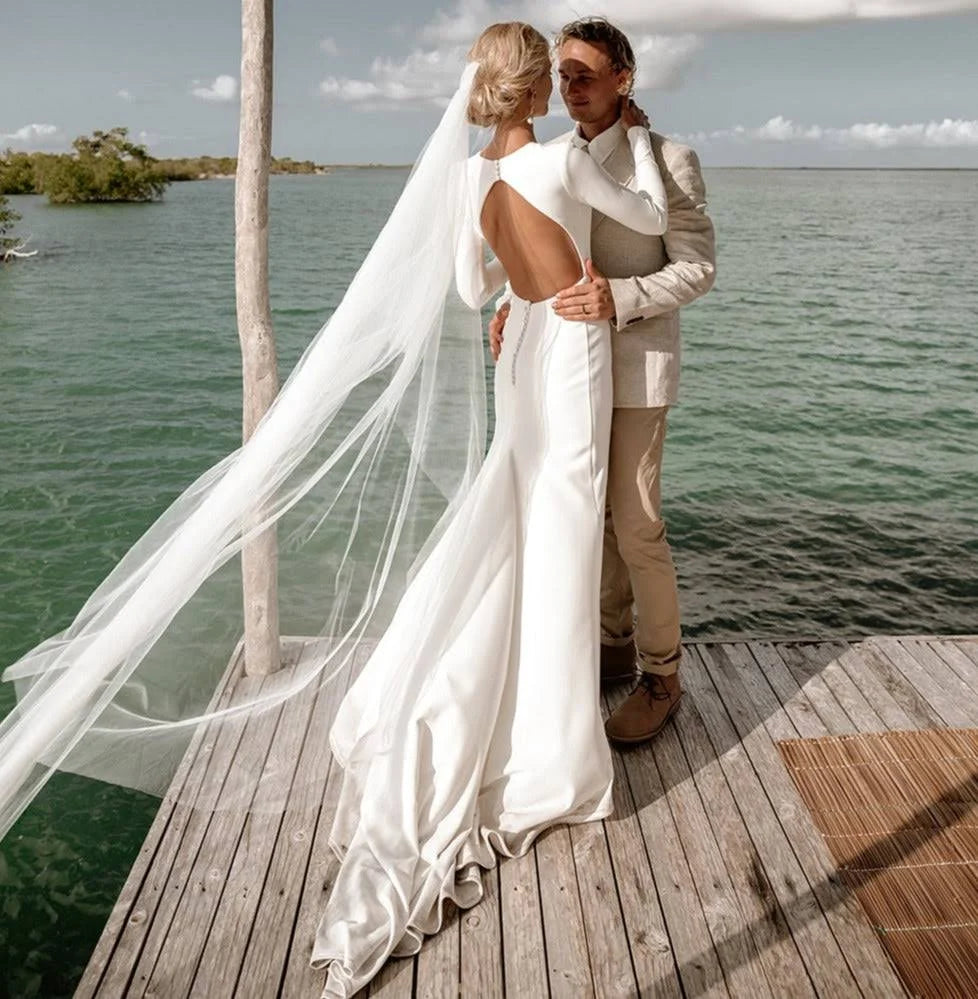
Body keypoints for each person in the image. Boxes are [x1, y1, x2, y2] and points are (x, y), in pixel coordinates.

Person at [308, 22, 668, 997]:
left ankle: (507, 702)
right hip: (575, 350)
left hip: (520, 348)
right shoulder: (564, 158)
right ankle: (552, 746)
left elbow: (476, 291)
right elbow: (643, 211)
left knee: (519, 517)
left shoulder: (468, 181)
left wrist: (519, 291)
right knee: (558, 531)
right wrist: (628, 133)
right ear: (538, 89)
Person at [489, 17, 716, 747]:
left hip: (636, 367)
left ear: (625, 78)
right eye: (563, 75)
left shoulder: (670, 158)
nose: (571, 86)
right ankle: (608, 645)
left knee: (638, 522)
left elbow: (698, 267)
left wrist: (618, 298)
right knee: (589, 518)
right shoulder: (551, 155)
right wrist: (507, 304)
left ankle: (662, 675)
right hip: (562, 370)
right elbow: (541, 243)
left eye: (586, 73)